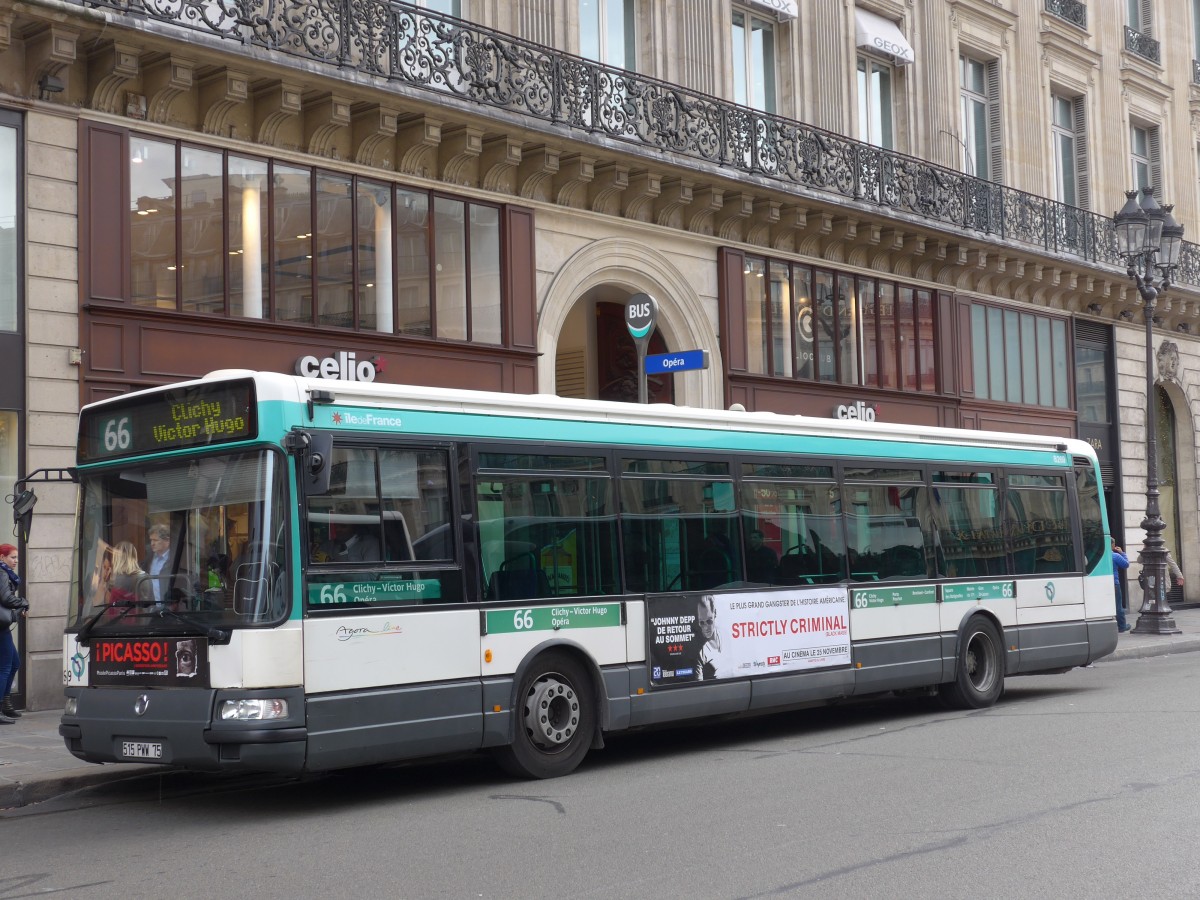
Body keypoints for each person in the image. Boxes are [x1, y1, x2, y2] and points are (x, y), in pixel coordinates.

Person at [0, 544, 29, 721]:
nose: (16, 561)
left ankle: (6, 703)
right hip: (0, 626)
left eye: (17, 557)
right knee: (5, 667)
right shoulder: (2, 573)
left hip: (2, 625)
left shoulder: (5, 573)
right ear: (2, 557)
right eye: (12, 557)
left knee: (14, 663)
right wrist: (23, 602)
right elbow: (6, 598)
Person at [695, 594, 730, 681]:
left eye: (709, 621)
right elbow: (699, 685)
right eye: (701, 623)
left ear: (715, 614)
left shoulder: (727, 635)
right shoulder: (700, 654)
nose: (705, 628)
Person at [109, 540, 151, 607]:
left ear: (116, 558)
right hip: (139, 616)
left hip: (117, 616)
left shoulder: (113, 579)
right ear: (134, 557)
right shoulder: (144, 577)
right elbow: (148, 604)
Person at [146, 523, 172, 606]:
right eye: (151, 540)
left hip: (168, 608)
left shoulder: (174, 558)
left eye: (156, 540)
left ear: (167, 541)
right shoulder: (149, 557)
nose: (152, 543)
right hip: (152, 607)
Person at [1112, 540, 1130, 633]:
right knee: (1118, 605)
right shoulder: (1115, 556)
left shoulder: (1100, 556)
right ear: (1113, 545)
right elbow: (1126, 564)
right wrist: (1122, 553)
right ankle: (1122, 626)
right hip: (1114, 583)